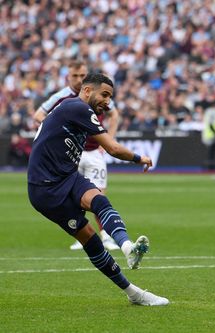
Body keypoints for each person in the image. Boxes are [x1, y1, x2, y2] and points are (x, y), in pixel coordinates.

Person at [27, 73, 169, 306]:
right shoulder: (76, 106)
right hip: (46, 190)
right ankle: (134, 293)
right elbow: (112, 148)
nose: (107, 101)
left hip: (68, 177)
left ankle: (128, 248)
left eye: (110, 97)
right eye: (104, 95)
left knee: (100, 201)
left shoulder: (76, 112)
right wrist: (139, 157)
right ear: (86, 91)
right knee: (91, 241)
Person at [33, 60, 120, 251]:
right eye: (75, 76)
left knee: (97, 195)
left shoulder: (99, 94)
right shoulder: (61, 96)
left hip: (95, 152)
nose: (79, 79)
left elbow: (115, 114)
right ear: (68, 76)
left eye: (82, 76)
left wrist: (108, 142)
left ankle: (105, 236)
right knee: (74, 196)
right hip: (72, 154)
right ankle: (81, 234)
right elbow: (38, 115)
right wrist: (54, 128)